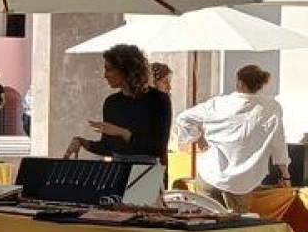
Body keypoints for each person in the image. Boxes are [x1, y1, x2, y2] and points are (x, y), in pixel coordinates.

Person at [175, 65, 289, 212]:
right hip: (242, 180)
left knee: (207, 223)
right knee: (235, 229)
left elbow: (183, 118)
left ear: (239, 83)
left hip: (210, 173)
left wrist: (198, 138)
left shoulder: (218, 103)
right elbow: (278, 143)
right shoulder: (271, 108)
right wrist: (285, 174)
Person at [63, 43, 171, 164]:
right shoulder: (112, 102)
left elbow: (159, 149)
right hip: (118, 171)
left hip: (146, 173)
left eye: (109, 69)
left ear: (125, 70)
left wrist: (124, 133)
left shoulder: (158, 100)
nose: (105, 75)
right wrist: (81, 142)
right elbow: (108, 148)